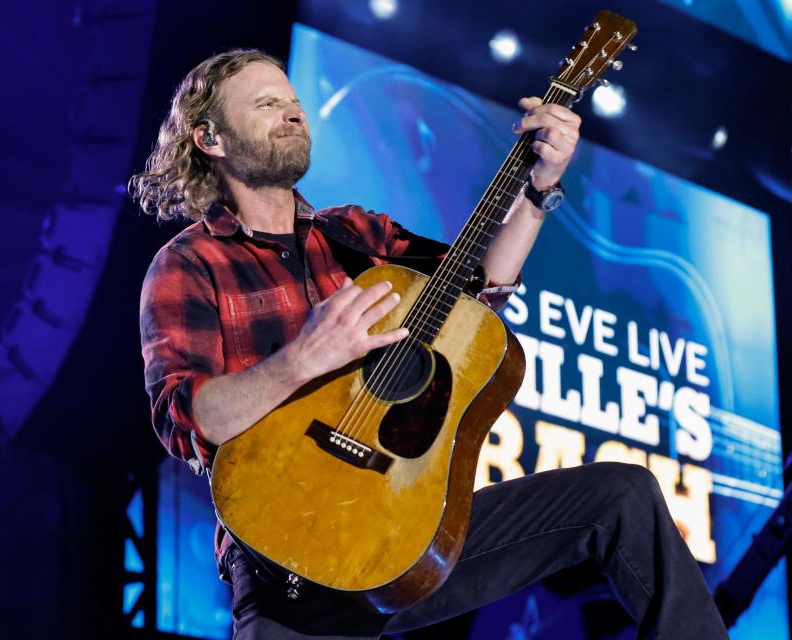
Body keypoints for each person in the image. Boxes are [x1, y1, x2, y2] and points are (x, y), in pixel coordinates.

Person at [134, 49, 728, 640]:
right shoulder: (190, 263)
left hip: (409, 525)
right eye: (268, 104)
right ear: (210, 137)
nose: (293, 114)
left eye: (294, 102)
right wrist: (302, 358)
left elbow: (475, 291)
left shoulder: (356, 234)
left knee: (622, 495)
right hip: (289, 555)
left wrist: (538, 189)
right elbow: (185, 416)